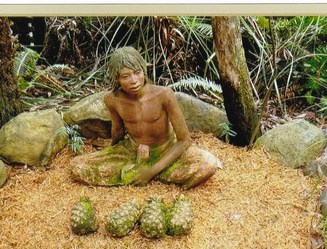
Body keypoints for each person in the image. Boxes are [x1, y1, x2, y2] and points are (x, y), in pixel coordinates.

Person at [70, 46, 222, 189]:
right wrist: (111, 153)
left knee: (208, 163)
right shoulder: (112, 99)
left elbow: (184, 140)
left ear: (144, 71)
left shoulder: (164, 95)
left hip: (166, 149)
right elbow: (117, 131)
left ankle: (145, 172)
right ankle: (148, 171)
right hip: (133, 149)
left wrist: (151, 171)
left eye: (137, 73)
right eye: (126, 76)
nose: (134, 80)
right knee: (78, 166)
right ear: (117, 79)